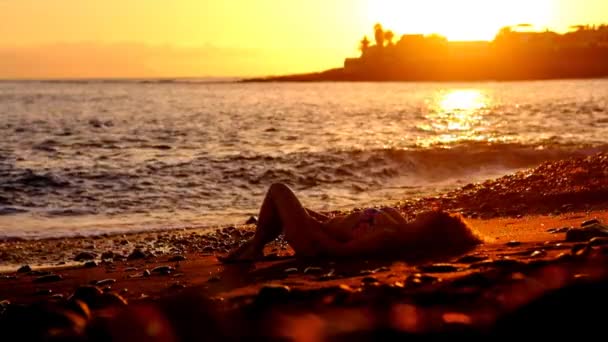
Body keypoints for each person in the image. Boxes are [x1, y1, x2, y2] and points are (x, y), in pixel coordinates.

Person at [219, 183, 483, 263]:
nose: (429, 211)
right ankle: (254, 245)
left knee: (279, 190)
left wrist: (309, 228)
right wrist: (311, 220)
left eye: (433, 216)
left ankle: (253, 247)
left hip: (315, 243)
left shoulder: (388, 237)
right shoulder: (399, 225)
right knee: (281, 207)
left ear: (428, 230)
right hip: (321, 229)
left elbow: (340, 251)